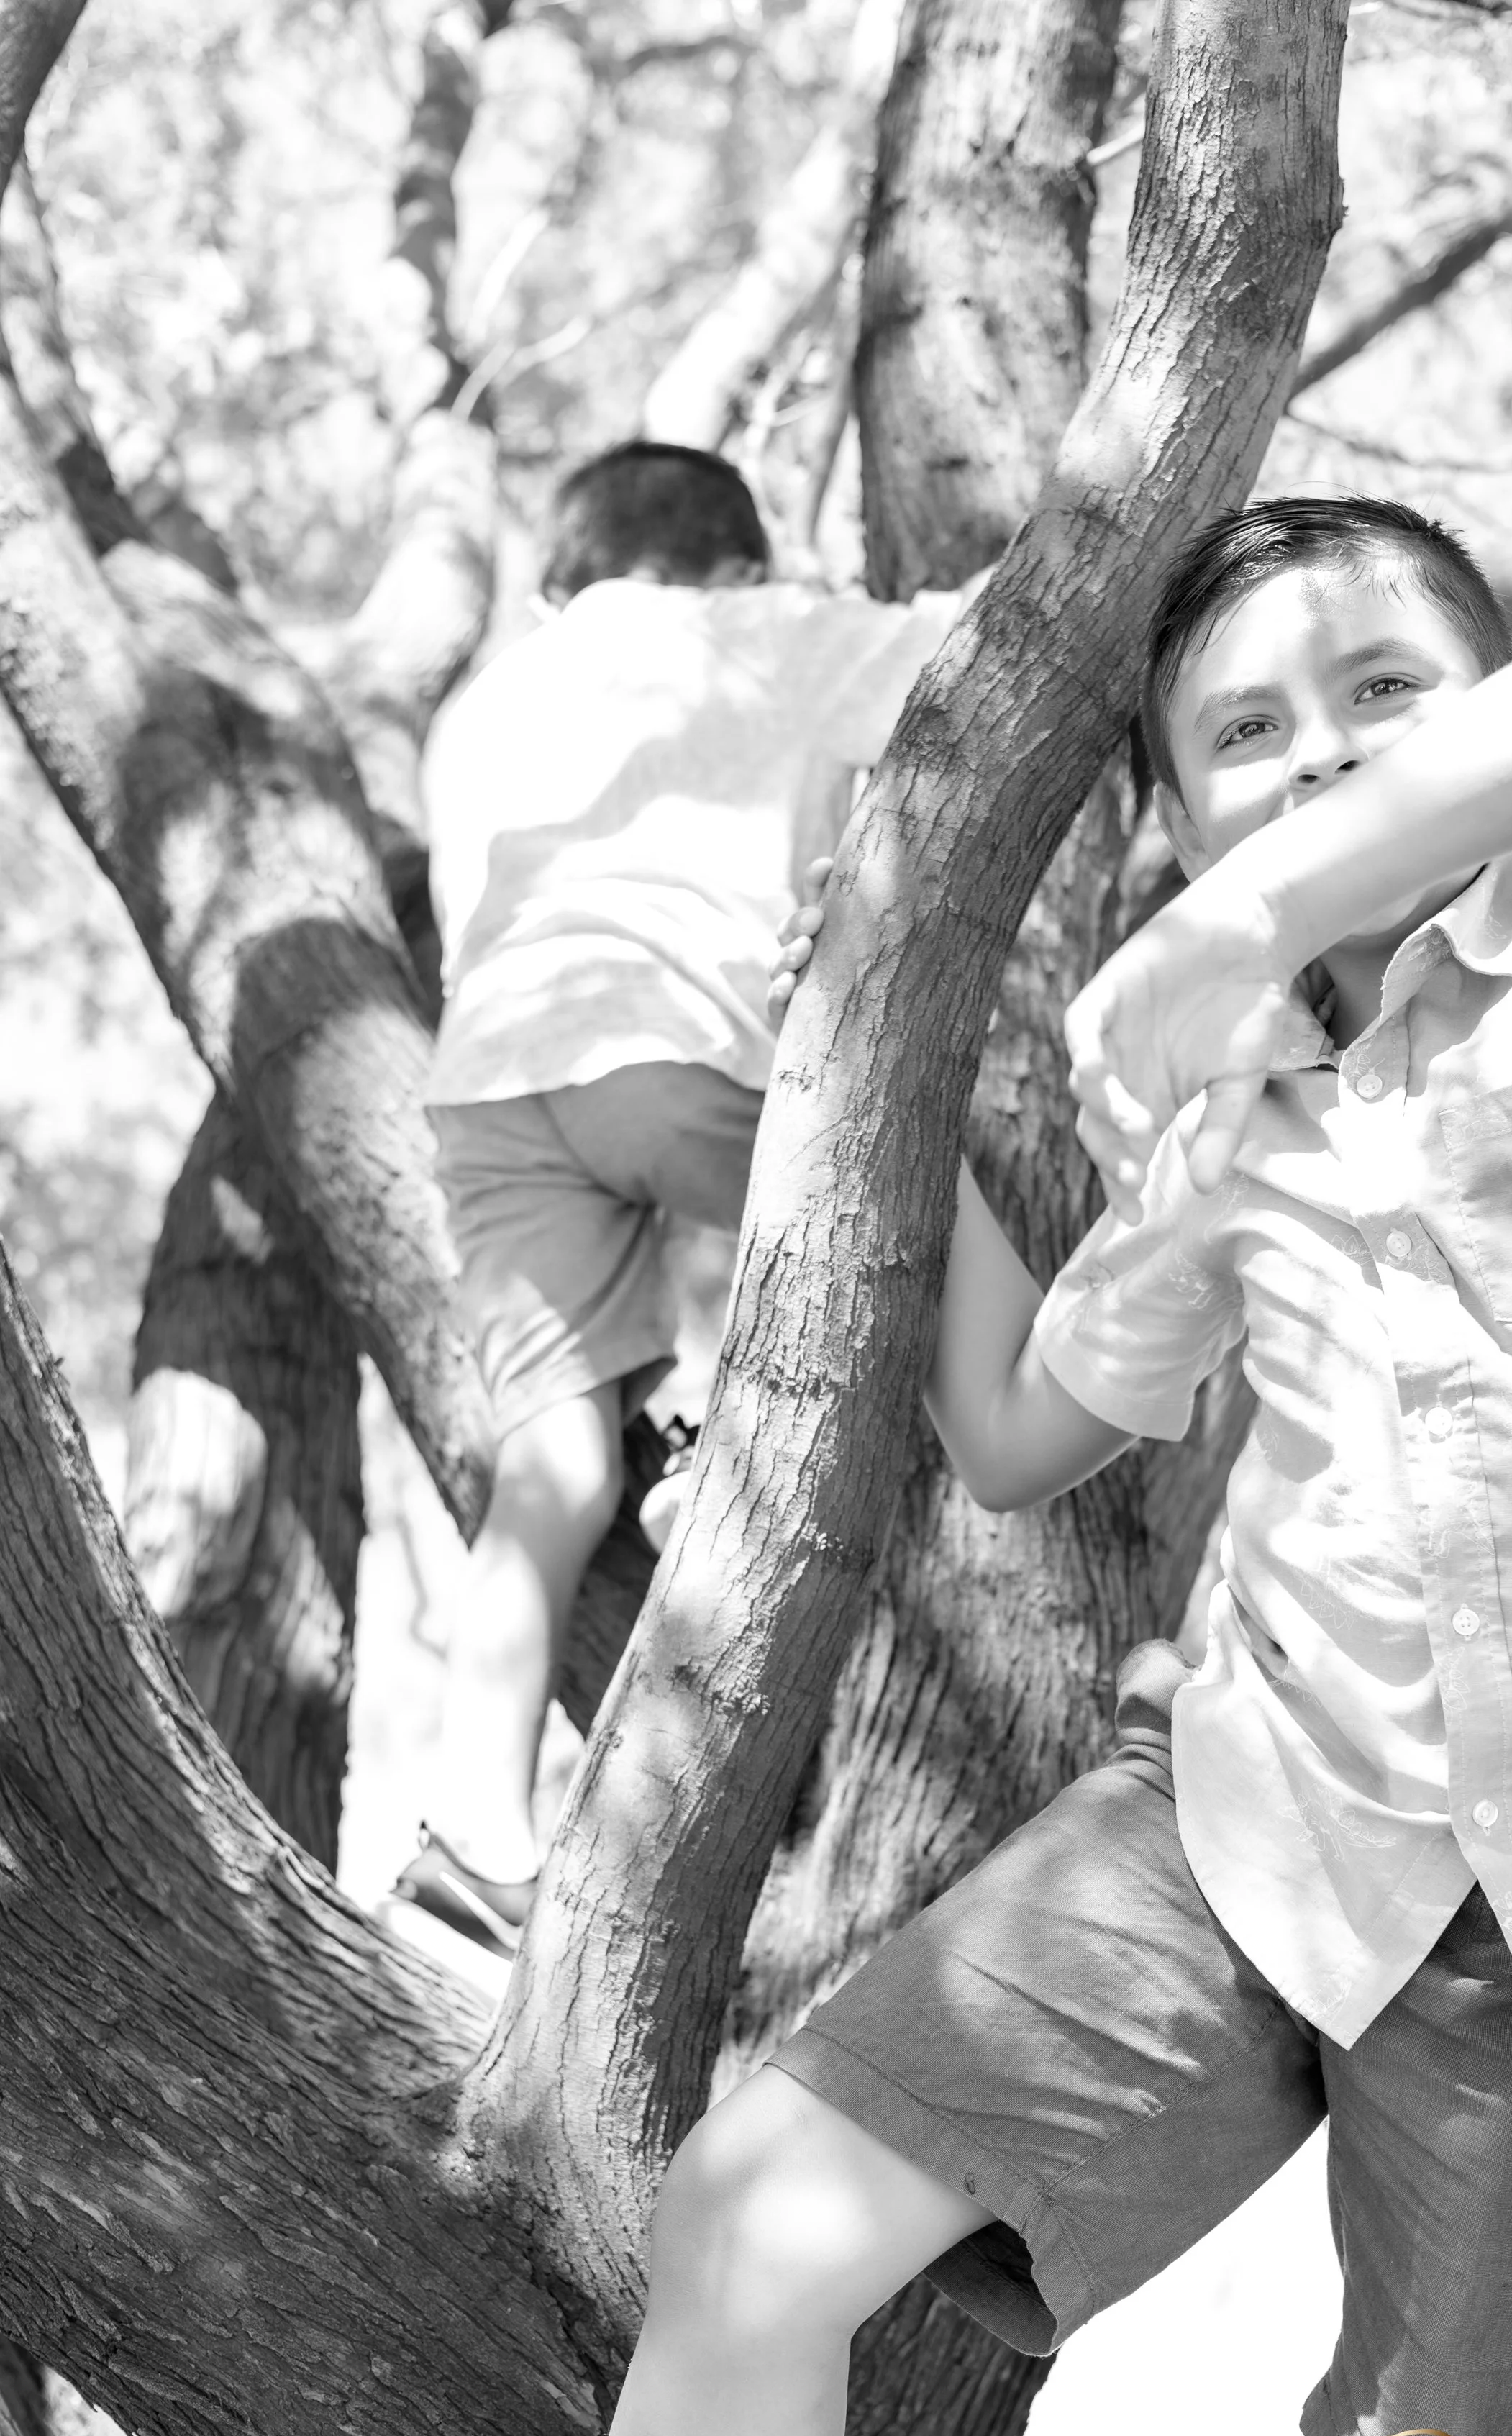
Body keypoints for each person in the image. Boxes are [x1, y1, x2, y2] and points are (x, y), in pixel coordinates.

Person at [560, 495, 1512, 2436]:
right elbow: (1024, 1430)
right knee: (744, 2227)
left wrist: (1280, 893)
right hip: (1242, 1812)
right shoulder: (1223, 1118)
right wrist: (895, 1092)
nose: (1320, 753)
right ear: (1169, 812)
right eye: (1244, 732)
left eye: (1383, 692)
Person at [395, 442, 966, 1958]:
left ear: (555, 579)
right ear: (732, 567)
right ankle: (709, 1443)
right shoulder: (754, 630)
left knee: (544, 1468)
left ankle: (471, 1823)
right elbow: (974, 643)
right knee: (893, 1239)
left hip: (492, 1076)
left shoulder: (477, 702)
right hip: (665, 1029)